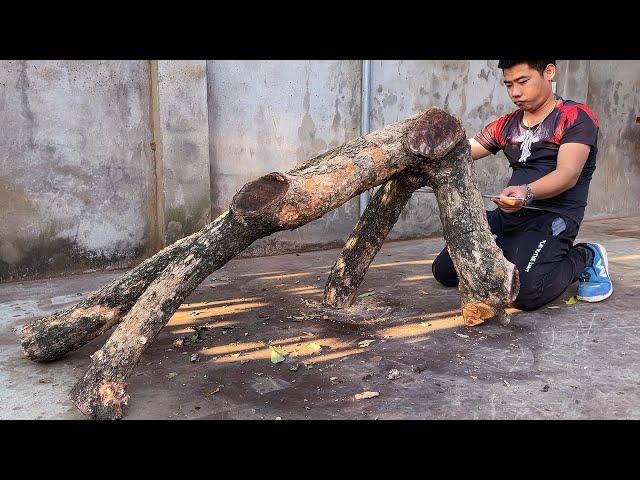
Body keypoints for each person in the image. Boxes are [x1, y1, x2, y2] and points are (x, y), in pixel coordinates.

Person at [431, 60, 613, 310]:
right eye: (508, 84)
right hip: (509, 215)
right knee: (444, 271)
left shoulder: (575, 117)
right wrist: (424, 157)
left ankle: (586, 256)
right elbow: (464, 152)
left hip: (551, 218)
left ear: (548, 72)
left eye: (523, 81)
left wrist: (526, 193)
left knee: (526, 293)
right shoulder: (507, 124)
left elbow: (568, 174)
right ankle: (517, 253)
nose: (515, 92)